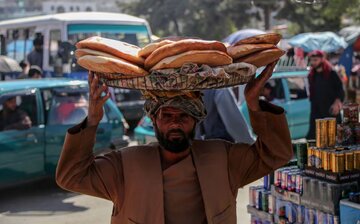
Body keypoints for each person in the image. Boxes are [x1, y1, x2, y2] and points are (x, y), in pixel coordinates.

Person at [56, 62, 293, 223]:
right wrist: (92, 122)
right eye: (167, 116)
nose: (175, 124)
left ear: (196, 119)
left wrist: (254, 104)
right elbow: (70, 177)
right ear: (155, 120)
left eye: (183, 116)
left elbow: (276, 154)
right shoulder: (126, 165)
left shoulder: (223, 158)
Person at [307, 50, 345, 139]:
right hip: (316, 111)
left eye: (315, 60)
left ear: (322, 59)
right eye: (312, 60)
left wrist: (337, 102)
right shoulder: (312, 75)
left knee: (333, 137)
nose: (313, 62)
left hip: (330, 111)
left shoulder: (331, 73)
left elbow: (340, 89)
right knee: (315, 138)